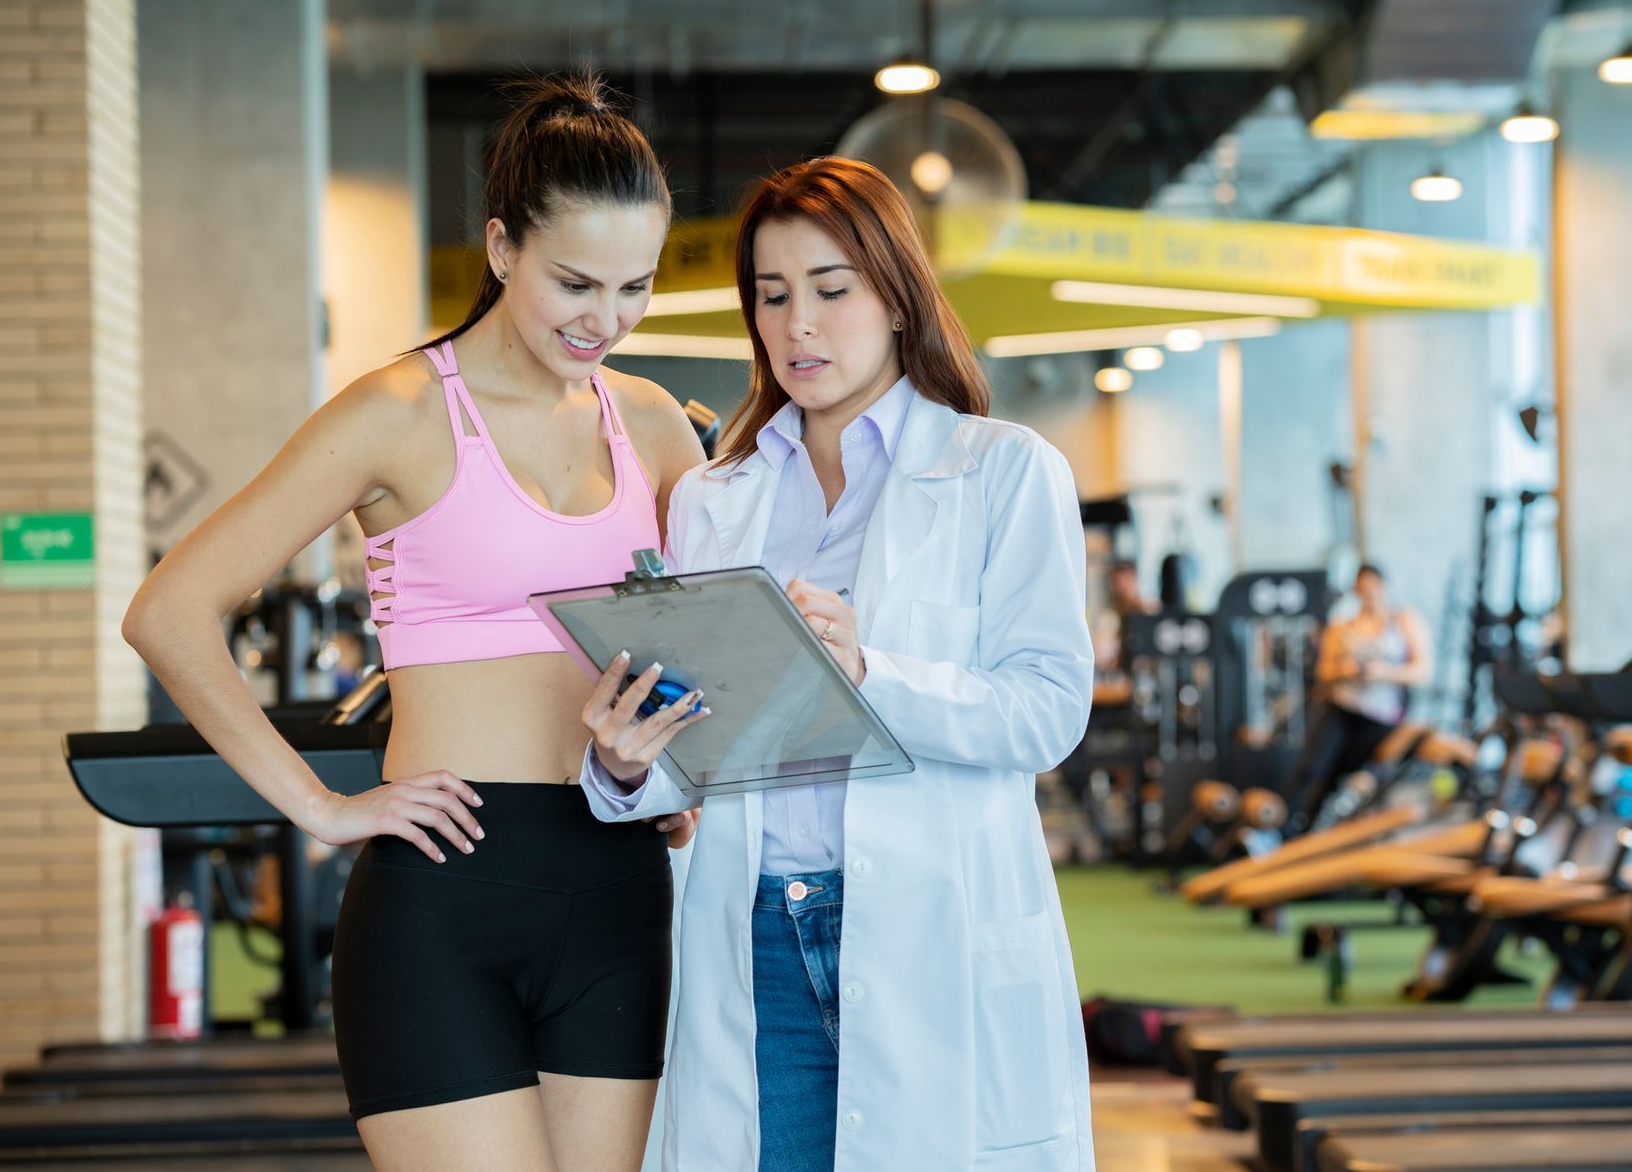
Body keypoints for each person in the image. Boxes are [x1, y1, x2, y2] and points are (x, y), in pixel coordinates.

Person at [121, 72, 709, 1172]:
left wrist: (676, 783)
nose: (605, 320)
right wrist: (318, 804)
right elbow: (170, 610)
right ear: (500, 249)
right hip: (445, 894)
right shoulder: (397, 412)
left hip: (619, 896)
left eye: (634, 288)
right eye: (575, 283)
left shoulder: (654, 426)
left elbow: (714, 644)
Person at [578, 157, 1097, 1170]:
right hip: (757, 928)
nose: (797, 325)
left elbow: (1047, 712)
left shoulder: (1002, 470)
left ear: (897, 298)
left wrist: (872, 672)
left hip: (928, 925)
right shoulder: (713, 499)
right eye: (771, 297)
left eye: (829, 290)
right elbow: (699, 747)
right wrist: (627, 765)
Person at [1283, 562, 1432, 834]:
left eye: (1373, 588)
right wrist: (1346, 670)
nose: (1369, 594)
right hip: (1343, 708)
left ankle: (1346, 833)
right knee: (1315, 770)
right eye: (1362, 589)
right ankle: (1291, 832)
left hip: (1382, 716)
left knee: (1362, 780)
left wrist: (1384, 672)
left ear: (1384, 587)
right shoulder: (1343, 626)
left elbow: (1423, 670)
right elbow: (1324, 671)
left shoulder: (1404, 620)